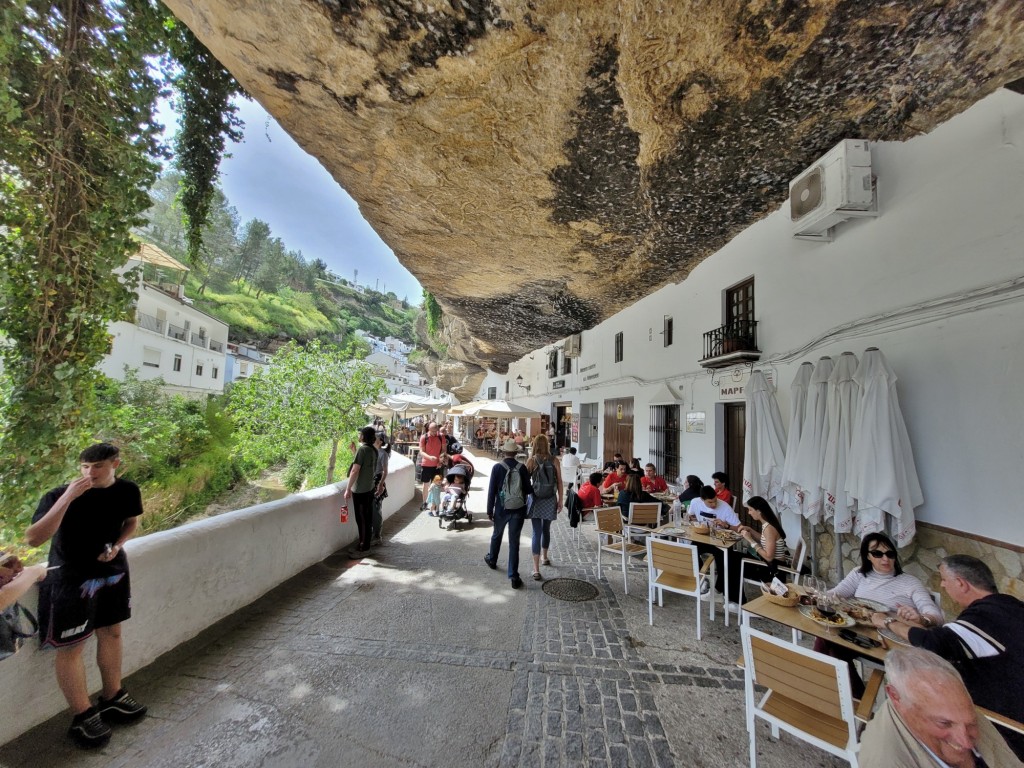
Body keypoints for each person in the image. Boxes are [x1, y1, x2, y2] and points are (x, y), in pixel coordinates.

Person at [25, 442, 147, 749]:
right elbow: (34, 539)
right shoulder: (58, 495)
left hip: (112, 572)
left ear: (115, 465)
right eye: (84, 467)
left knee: (112, 632)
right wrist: (68, 496)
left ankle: (113, 696)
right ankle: (83, 714)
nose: (89, 473)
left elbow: (132, 521)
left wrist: (117, 545)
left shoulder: (128, 491)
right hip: (70, 578)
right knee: (71, 647)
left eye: (97, 467)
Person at [874, 554, 1024, 759]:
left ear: (961, 583)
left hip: (1007, 727)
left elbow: (931, 644)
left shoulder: (981, 619)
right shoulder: (1008, 606)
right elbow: (947, 637)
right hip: (1013, 709)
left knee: (906, 702)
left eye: (944, 579)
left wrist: (887, 622)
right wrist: (914, 624)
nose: (943, 585)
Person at [860, 647, 1023, 768]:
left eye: (971, 723)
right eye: (944, 724)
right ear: (896, 697)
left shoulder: (955, 710)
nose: (966, 743)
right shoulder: (885, 760)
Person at [485, 439, 534, 589]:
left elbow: (492, 491)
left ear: (504, 452)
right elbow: (529, 490)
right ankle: (513, 576)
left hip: (501, 509)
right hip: (518, 509)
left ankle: (492, 559)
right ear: (516, 452)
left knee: (496, 535)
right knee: (514, 543)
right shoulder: (522, 468)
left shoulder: (497, 468)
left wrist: (489, 510)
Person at [731, 496, 789, 604]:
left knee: (733, 563)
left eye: (750, 510)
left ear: (758, 511)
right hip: (770, 565)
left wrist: (750, 540)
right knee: (734, 556)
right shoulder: (768, 524)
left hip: (772, 570)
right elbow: (765, 540)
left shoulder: (769, 529)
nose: (749, 513)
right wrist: (751, 530)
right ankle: (732, 597)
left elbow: (769, 556)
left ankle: (737, 601)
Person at [525, 435, 562, 581]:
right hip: (550, 499)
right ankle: (544, 557)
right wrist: (560, 500)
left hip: (535, 499)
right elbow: (559, 481)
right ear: (547, 445)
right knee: (546, 529)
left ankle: (535, 569)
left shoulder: (531, 460)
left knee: (536, 532)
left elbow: (525, 481)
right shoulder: (554, 460)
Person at [344, 426, 378, 553]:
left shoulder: (363, 450)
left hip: (360, 489)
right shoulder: (372, 449)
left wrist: (347, 489)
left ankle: (363, 546)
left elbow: (355, 470)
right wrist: (354, 452)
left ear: (363, 436)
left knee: (362, 519)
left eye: (360, 434)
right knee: (367, 517)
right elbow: (364, 465)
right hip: (369, 488)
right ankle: (365, 543)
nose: (359, 435)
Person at [370, 430, 390, 546]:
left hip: (377, 482)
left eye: (376, 437)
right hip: (371, 481)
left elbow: (385, 471)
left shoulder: (383, 454)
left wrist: (381, 484)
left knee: (376, 509)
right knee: (372, 508)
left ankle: (377, 535)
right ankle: (374, 533)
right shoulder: (371, 451)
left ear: (380, 441)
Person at [418, 422, 445, 506]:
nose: (434, 433)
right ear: (428, 429)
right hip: (426, 464)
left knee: (437, 485)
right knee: (426, 484)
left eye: (435, 431)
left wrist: (440, 461)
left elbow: (444, 450)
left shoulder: (441, 437)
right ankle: (424, 503)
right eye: (432, 431)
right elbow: (421, 451)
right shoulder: (424, 437)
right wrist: (429, 457)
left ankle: (435, 504)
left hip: (437, 465)